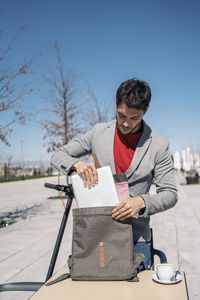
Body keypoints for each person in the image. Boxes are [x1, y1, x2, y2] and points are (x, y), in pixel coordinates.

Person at [50, 78, 178, 270]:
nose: (126, 124)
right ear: (116, 104)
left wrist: (142, 202)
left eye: (134, 118)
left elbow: (170, 194)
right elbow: (58, 155)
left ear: (146, 110)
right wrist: (76, 164)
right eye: (121, 116)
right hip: (96, 234)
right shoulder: (98, 133)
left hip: (136, 239)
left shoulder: (159, 146)